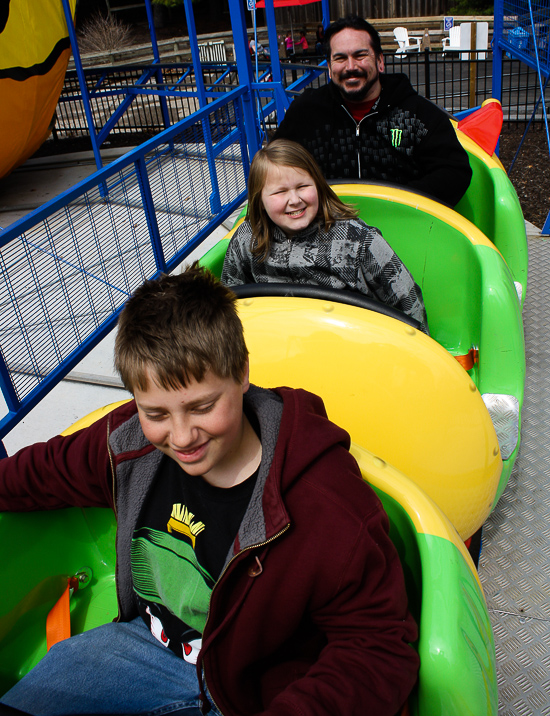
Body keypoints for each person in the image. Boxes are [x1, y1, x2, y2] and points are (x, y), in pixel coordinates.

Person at [0, 264, 419, 716]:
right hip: (146, 644)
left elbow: (378, 647)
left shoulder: (327, 501)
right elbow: (41, 472)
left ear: (241, 374)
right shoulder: (128, 441)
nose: (180, 438)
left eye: (201, 407)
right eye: (156, 413)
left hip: (253, 686)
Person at [221, 139, 429, 333]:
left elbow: (407, 301)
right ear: (260, 200)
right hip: (278, 340)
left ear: (318, 186)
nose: (294, 199)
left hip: (350, 342)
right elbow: (229, 299)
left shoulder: (357, 239)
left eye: (302, 186)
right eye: (280, 192)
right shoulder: (247, 238)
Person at [273, 15, 472, 207]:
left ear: (380, 61)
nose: (350, 67)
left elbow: (454, 171)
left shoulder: (417, 114)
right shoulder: (307, 112)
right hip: (325, 228)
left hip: (401, 227)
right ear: (330, 66)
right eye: (340, 58)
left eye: (360, 56)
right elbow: (273, 164)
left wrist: (399, 204)